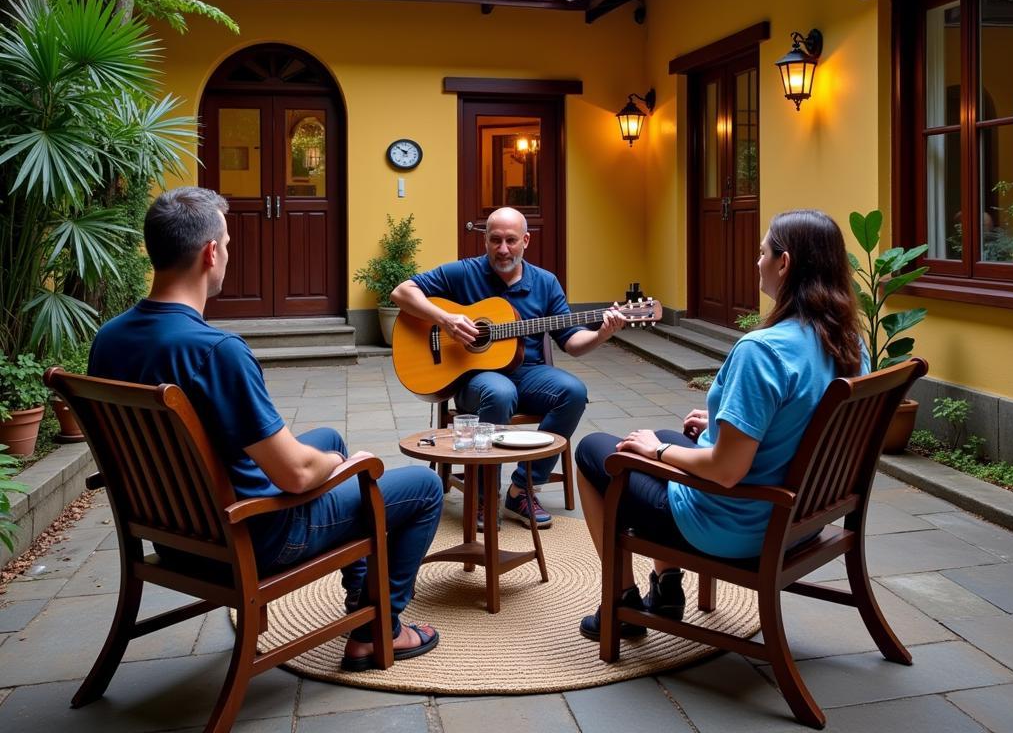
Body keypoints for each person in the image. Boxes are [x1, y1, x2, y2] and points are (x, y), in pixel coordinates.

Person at [88, 187, 444, 671]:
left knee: (330, 441)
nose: (228, 254)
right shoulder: (216, 351)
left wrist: (327, 458)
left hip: (175, 538)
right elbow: (296, 476)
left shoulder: (109, 339)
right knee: (419, 486)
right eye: (228, 244)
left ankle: (361, 602)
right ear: (211, 252)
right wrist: (343, 467)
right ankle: (376, 630)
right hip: (254, 538)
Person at [574, 209, 868, 640]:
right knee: (677, 435)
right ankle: (667, 589)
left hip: (733, 526)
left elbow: (726, 471)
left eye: (762, 252)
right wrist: (721, 420)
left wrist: (656, 451)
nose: (757, 261)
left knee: (596, 451)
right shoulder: (848, 342)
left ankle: (619, 602)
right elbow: (804, 416)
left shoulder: (762, 350)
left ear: (784, 264)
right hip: (801, 518)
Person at [391, 206, 626, 529]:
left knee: (573, 391)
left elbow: (571, 342)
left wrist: (601, 333)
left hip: (528, 373)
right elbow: (401, 292)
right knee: (499, 393)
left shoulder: (545, 283)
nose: (503, 249)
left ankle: (522, 489)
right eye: (495, 240)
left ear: (526, 240)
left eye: (511, 241)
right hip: (474, 377)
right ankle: (484, 497)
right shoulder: (463, 273)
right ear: (485, 240)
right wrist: (444, 319)